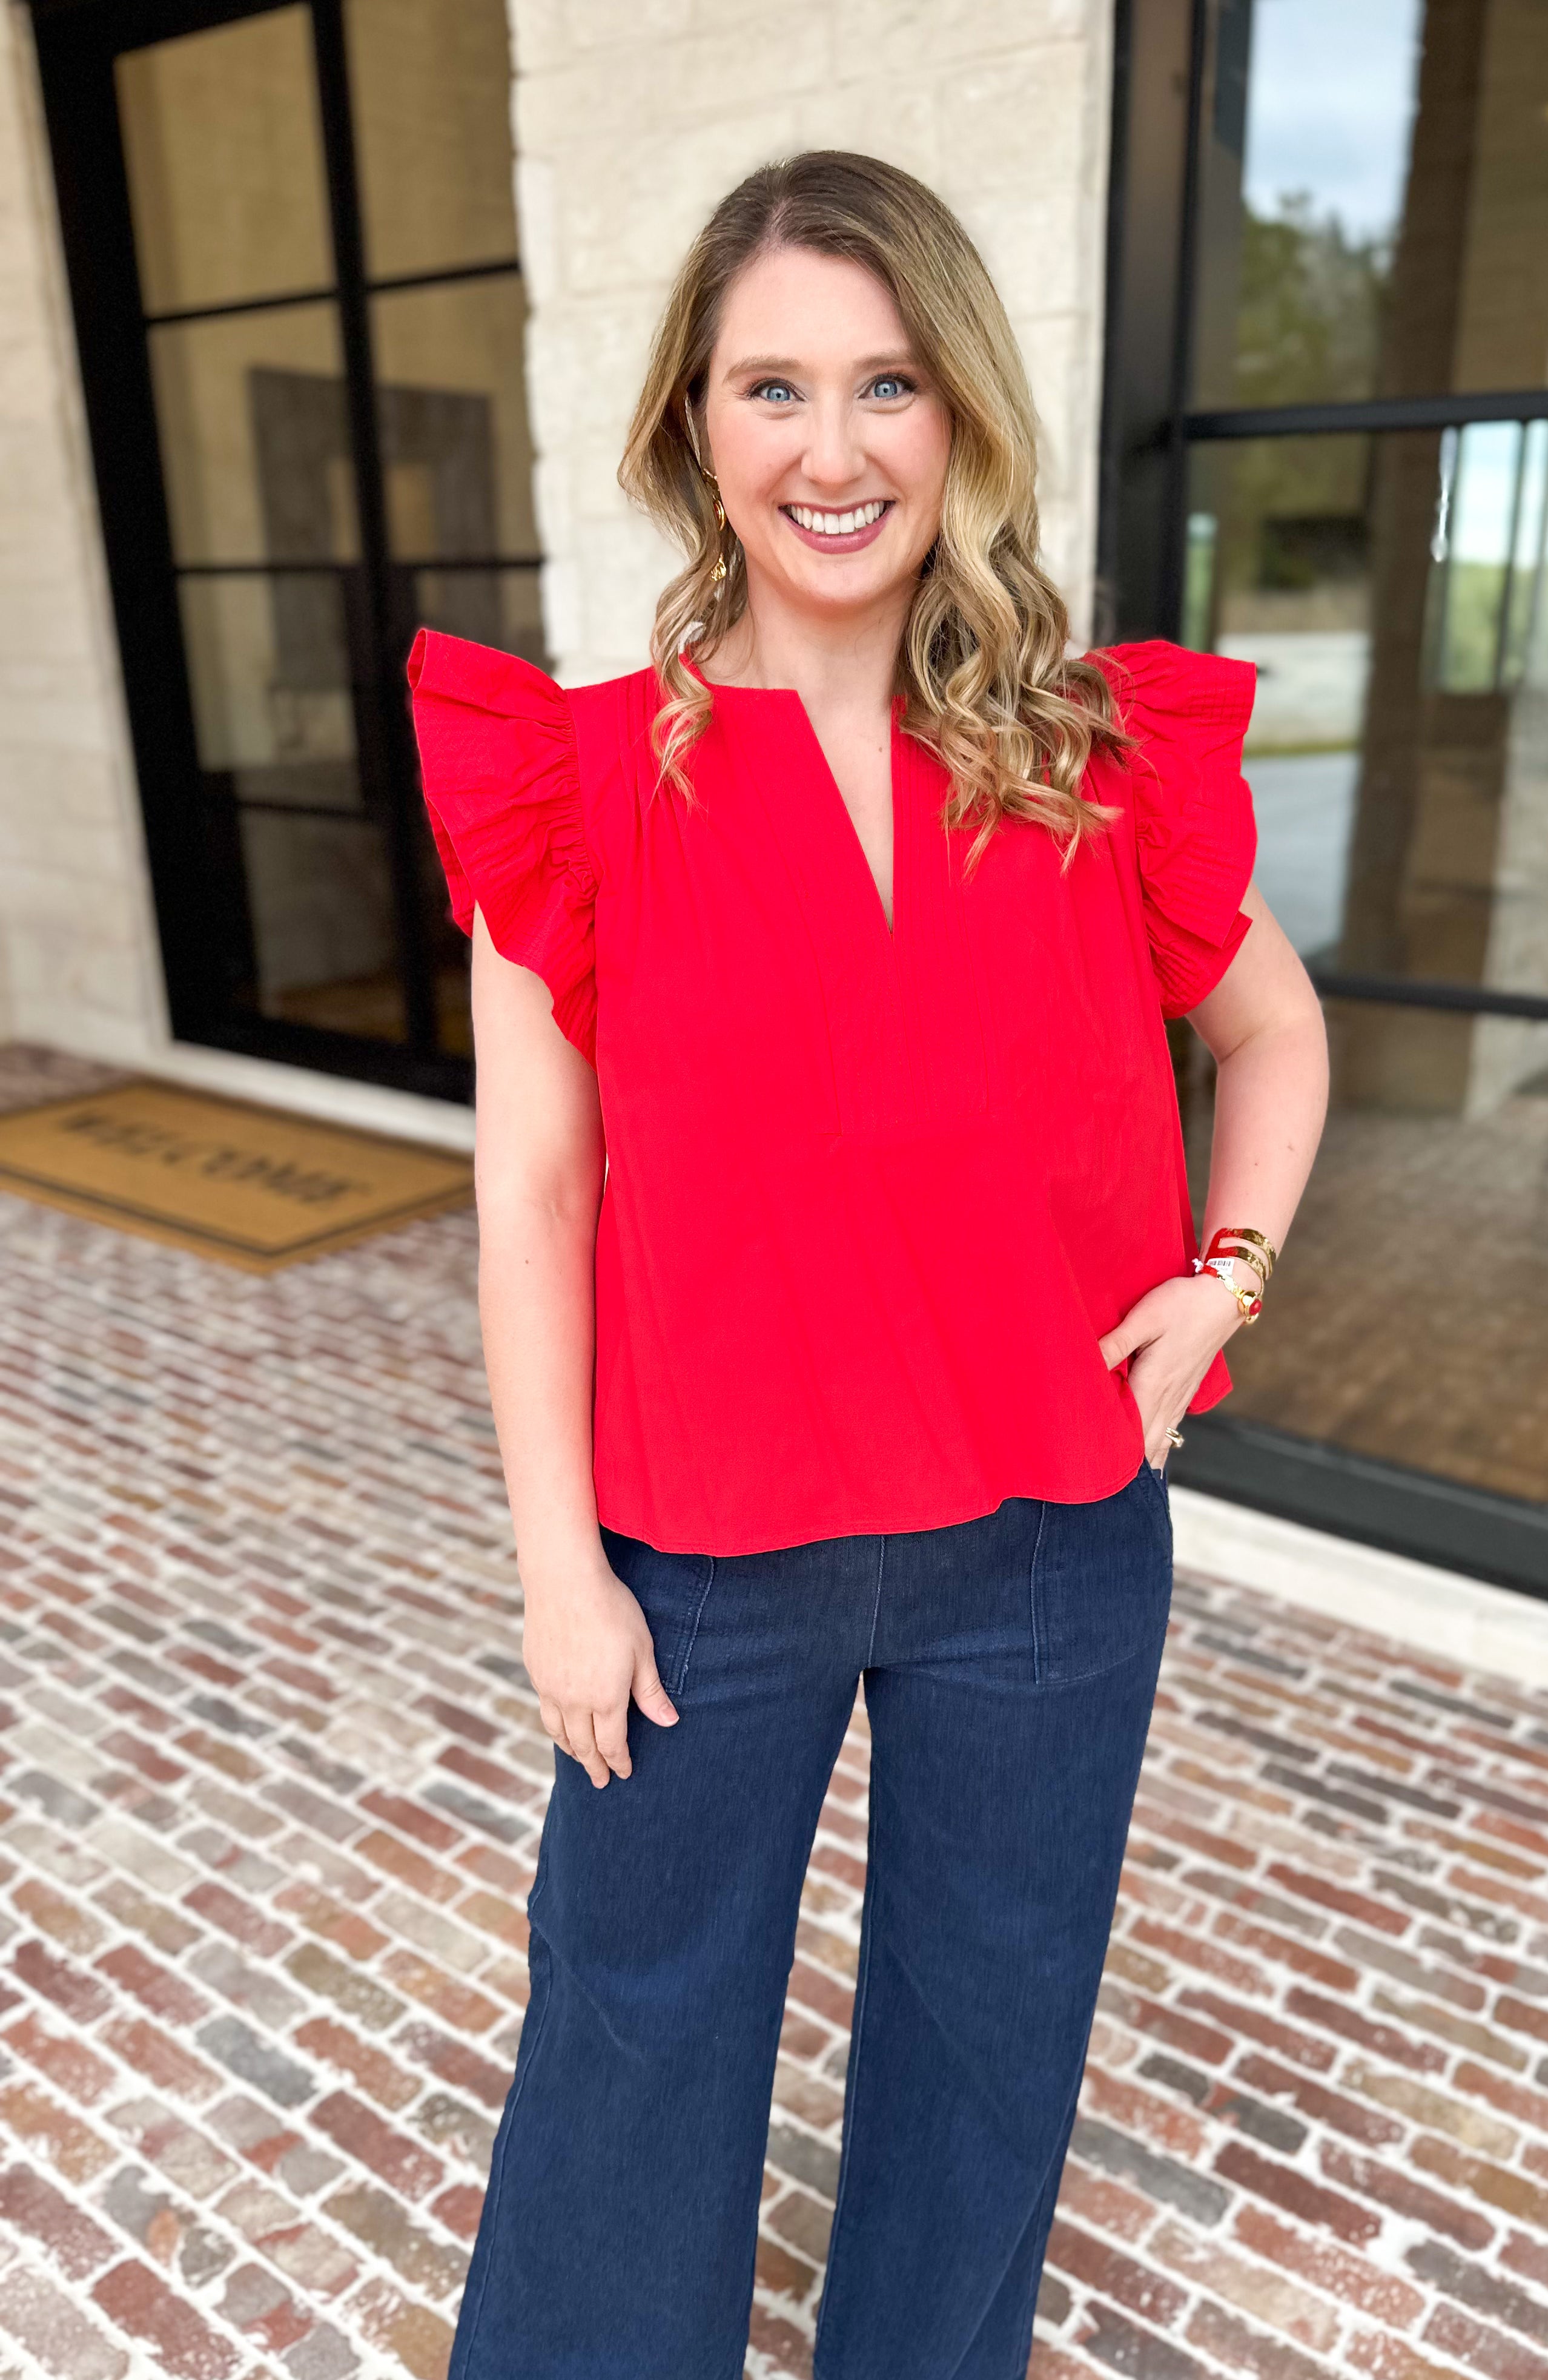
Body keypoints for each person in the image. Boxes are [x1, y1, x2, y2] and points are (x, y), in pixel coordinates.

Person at [408, 149, 1328, 2380]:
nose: (835, 448)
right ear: (695, 436)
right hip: (703, 1558)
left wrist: (1223, 1273)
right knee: (633, 2049)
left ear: (961, 418)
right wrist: (559, 1568)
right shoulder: (577, 783)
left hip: (1047, 1547)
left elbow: (1274, 1030)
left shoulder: (1088, 754)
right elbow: (530, 1193)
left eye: (889, 383)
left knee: (989, 2046)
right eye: (774, 388)